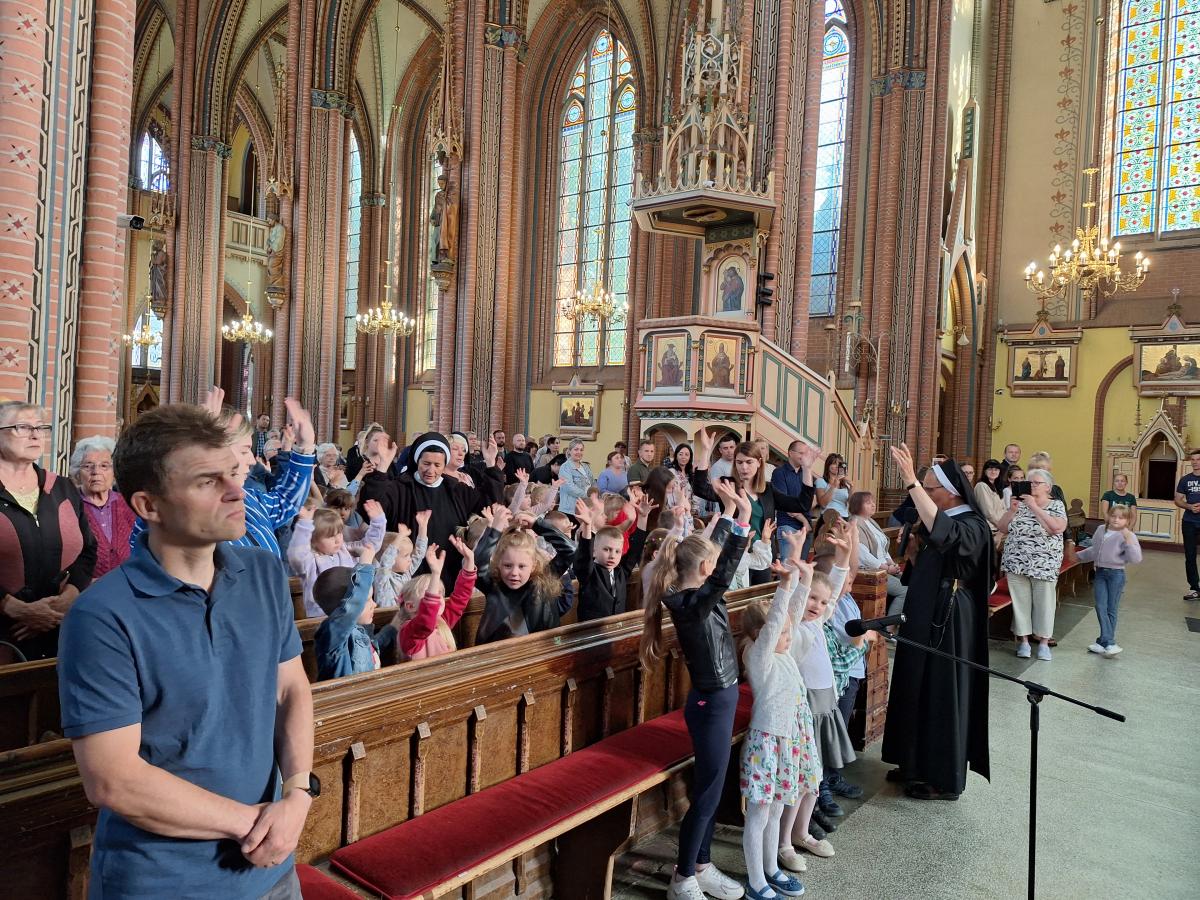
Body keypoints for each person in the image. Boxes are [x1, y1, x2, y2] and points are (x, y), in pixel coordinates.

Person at [58, 403, 314, 898]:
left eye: (234, 473)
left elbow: (291, 690)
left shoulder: (264, 573)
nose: (236, 491)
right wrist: (258, 825)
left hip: (273, 872)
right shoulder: (102, 615)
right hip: (166, 880)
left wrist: (299, 792)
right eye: (207, 481)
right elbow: (113, 780)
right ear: (148, 506)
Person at [640, 485, 750, 900]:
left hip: (719, 699)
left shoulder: (693, 595)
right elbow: (720, 574)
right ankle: (683, 876)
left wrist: (731, 512)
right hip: (711, 704)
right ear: (705, 568)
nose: (716, 570)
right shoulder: (689, 604)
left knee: (713, 789)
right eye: (712, 565)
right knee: (707, 793)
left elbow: (711, 561)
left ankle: (701, 865)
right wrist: (741, 525)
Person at [881, 448, 992, 801]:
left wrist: (910, 480)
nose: (925, 495)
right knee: (916, 683)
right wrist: (914, 555)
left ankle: (942, 778)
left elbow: (950, 538)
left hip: (950, 617)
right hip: (924, 611)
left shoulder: (972, 525)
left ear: (951, 493)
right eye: (924, 488)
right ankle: (913, 763)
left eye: (930, 489)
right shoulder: (937, 521)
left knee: (941, 690)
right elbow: (930, 558)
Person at [738, 537, 816, 900]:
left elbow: (791, 617)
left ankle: (772, 869)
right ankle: (756, 881)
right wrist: (784, 586)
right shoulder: (761, 657)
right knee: (759, 813)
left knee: (776, 809)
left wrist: (802, 575)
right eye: (781, 633)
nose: (788, 636)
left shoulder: (783, 652)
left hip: (790, 739)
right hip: (767, 742)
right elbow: (775, 627)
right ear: (760, 636)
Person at [0, 402, 97, 660]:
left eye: (41, 428)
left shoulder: (62, 488)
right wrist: (14, 608)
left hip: (62, 630)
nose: (35, 435)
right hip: (6, 636)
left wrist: (69, 596)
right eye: (23, 427)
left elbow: (87, 550)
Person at [358, 431, 503, 588]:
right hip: (407, 577)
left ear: (444, 464)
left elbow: (490, 506)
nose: (431, 470)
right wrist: (382, 468)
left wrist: (490, 463)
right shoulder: (401, 487)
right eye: (426, 463)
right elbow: (370, 510)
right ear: (417, 461)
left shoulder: (455, 489)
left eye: (437, 465)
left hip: (448, 572)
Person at [691, 429, 814, 585]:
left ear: (759, 463)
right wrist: (705, 451)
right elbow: (700, 488)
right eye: (739, 462)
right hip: (736, 555)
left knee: (759, 595)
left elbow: (802, 504)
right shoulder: (729, 485)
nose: (744, 467)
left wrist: (807, 470)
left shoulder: (768, 490)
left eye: (749, 462)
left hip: (762, 554)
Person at [473, 507, 573, 643]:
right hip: (500, 652)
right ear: (499, 564)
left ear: (533, 565)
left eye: (522, 566)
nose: (514, 573)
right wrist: (495, 530)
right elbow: (477, 565)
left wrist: (537, 524)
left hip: (543, 649)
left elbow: (570, 550)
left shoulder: (543, 579)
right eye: (508, 565)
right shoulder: (493, 585)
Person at [998, 468, 1067, 660]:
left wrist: (1034, 507)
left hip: (1044, 563)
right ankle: (1024, 642)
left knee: (1044, 603)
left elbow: (1057, 528)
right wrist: (1012, 510)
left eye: (1036, 483)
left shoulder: (1056, 505)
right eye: (1030, 483)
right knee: (1020, 603)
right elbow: (1002, 527)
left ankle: (1043, 643)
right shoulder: (1019, 504)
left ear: (1048, 487)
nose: (1032, 486)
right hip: (1016, 562)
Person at [312, 544, 399, 680]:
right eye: (367, 600)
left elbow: (370, 649)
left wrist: (394, 626)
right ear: (345, 605)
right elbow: (352, 608)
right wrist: (365, 564)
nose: (374, 604)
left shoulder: (359, 629)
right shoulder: (332, 635)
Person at [288, 500, 387, 617]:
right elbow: (297, 555)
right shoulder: (309, 561)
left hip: (351, 611)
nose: (337, 540)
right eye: (330, 536)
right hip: (322, 617)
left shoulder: (345, 549)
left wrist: (378, 522)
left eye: (339, 533)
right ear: (312, 540)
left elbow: (369, 547)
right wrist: (304, 525)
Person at [1071, 503, 1142, 658]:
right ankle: (1105, 642)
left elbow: (1135, 558)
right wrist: (1078, 557)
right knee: (1100, 606)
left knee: (1111, 608)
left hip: (1116, 574)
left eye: (1121, 518)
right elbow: (1095, 550)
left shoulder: (1128, 535)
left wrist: (1128, 540)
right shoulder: (1100, 530)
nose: (1116, 520)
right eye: (1113, 516)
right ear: (1108, 516)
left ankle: (1107, 641)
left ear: (1127, 521)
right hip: (1100, 573)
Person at [397, 538, 478, 660]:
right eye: (430, 592)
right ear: (410, 606)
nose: (437, 597)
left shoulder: (442, 620)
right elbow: (425, 622)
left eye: (440, 593)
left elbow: (460, 597)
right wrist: (435, 574)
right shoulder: (408, 632)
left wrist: (469, 560)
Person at [573, 495, 651, 621]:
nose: (612, 555)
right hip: (592, 630)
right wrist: (587, 526)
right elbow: (584, 558)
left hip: (617, 628)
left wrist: (643, 517)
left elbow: (634, 551)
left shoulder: (620, 572)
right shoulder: (589, 573)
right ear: (594, 551)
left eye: (617, 551)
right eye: (606, 549)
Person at [71, 435, 136, 580]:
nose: (96, 472)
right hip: (84, 588)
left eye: (104, 466)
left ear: (114, 472)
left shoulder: (128, 505)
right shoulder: (69, 505)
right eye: (88, 466)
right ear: (77, 473)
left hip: (127, 585)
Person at [849, 491, 908, 616]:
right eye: (868, 503)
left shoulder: (870, 521)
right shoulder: (855, 523)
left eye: (873, 502)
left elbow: (882, 548)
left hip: (883, 567)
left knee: (909, 580)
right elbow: (863, 556)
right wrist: (887, 568)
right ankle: (890, 624)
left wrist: (892, 564)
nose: (873, 505)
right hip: (869, 571)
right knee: (904, 591)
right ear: (857, 505)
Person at [771, 441, 818, 544]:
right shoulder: (779, 472)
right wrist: (804, 520)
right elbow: (784, 503)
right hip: (788, 525)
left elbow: (813, 500)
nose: (804, 457)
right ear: (791, 453)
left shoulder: (806, 473)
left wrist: (805, 520)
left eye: (806, 454)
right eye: (801, 453)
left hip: (807, 527)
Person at [1175, 448, 1200, 601]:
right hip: (1189, 522)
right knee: (1190, 556)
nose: (1195, 462)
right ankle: (1194, 588)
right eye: (1193, 459)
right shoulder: (1185, 479)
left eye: (1198, 459)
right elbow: (1177, 500)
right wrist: (1190, 506)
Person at [556, 439, 594, 515]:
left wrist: (594, 493)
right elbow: (569, 487)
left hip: (584, 507)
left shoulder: (586, 466)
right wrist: (587, 495)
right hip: (570, 509)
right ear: (570, 451)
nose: (579, 452)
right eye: (576, 449)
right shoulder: (565, 467)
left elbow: (592, 482)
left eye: (581, 450)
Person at [973, 459, 1007, 537]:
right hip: (990, 529)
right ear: (985, 471)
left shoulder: (996, 487)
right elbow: (988, 512)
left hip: (999, 528)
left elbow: (1003, 509)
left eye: (996, 469)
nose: (993, 472)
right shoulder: (981, 485)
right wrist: (1001, 526)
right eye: (990, 469)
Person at [814, 454, 852, 520]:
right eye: (834, 463)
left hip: (844, 517)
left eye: (839, 464)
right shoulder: (821, 481)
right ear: (828, 465)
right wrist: (834, 486)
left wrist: (851, 488)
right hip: (828, 518)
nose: (837, 466)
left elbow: (850, 505)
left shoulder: (845, 483)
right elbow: (823, 504)